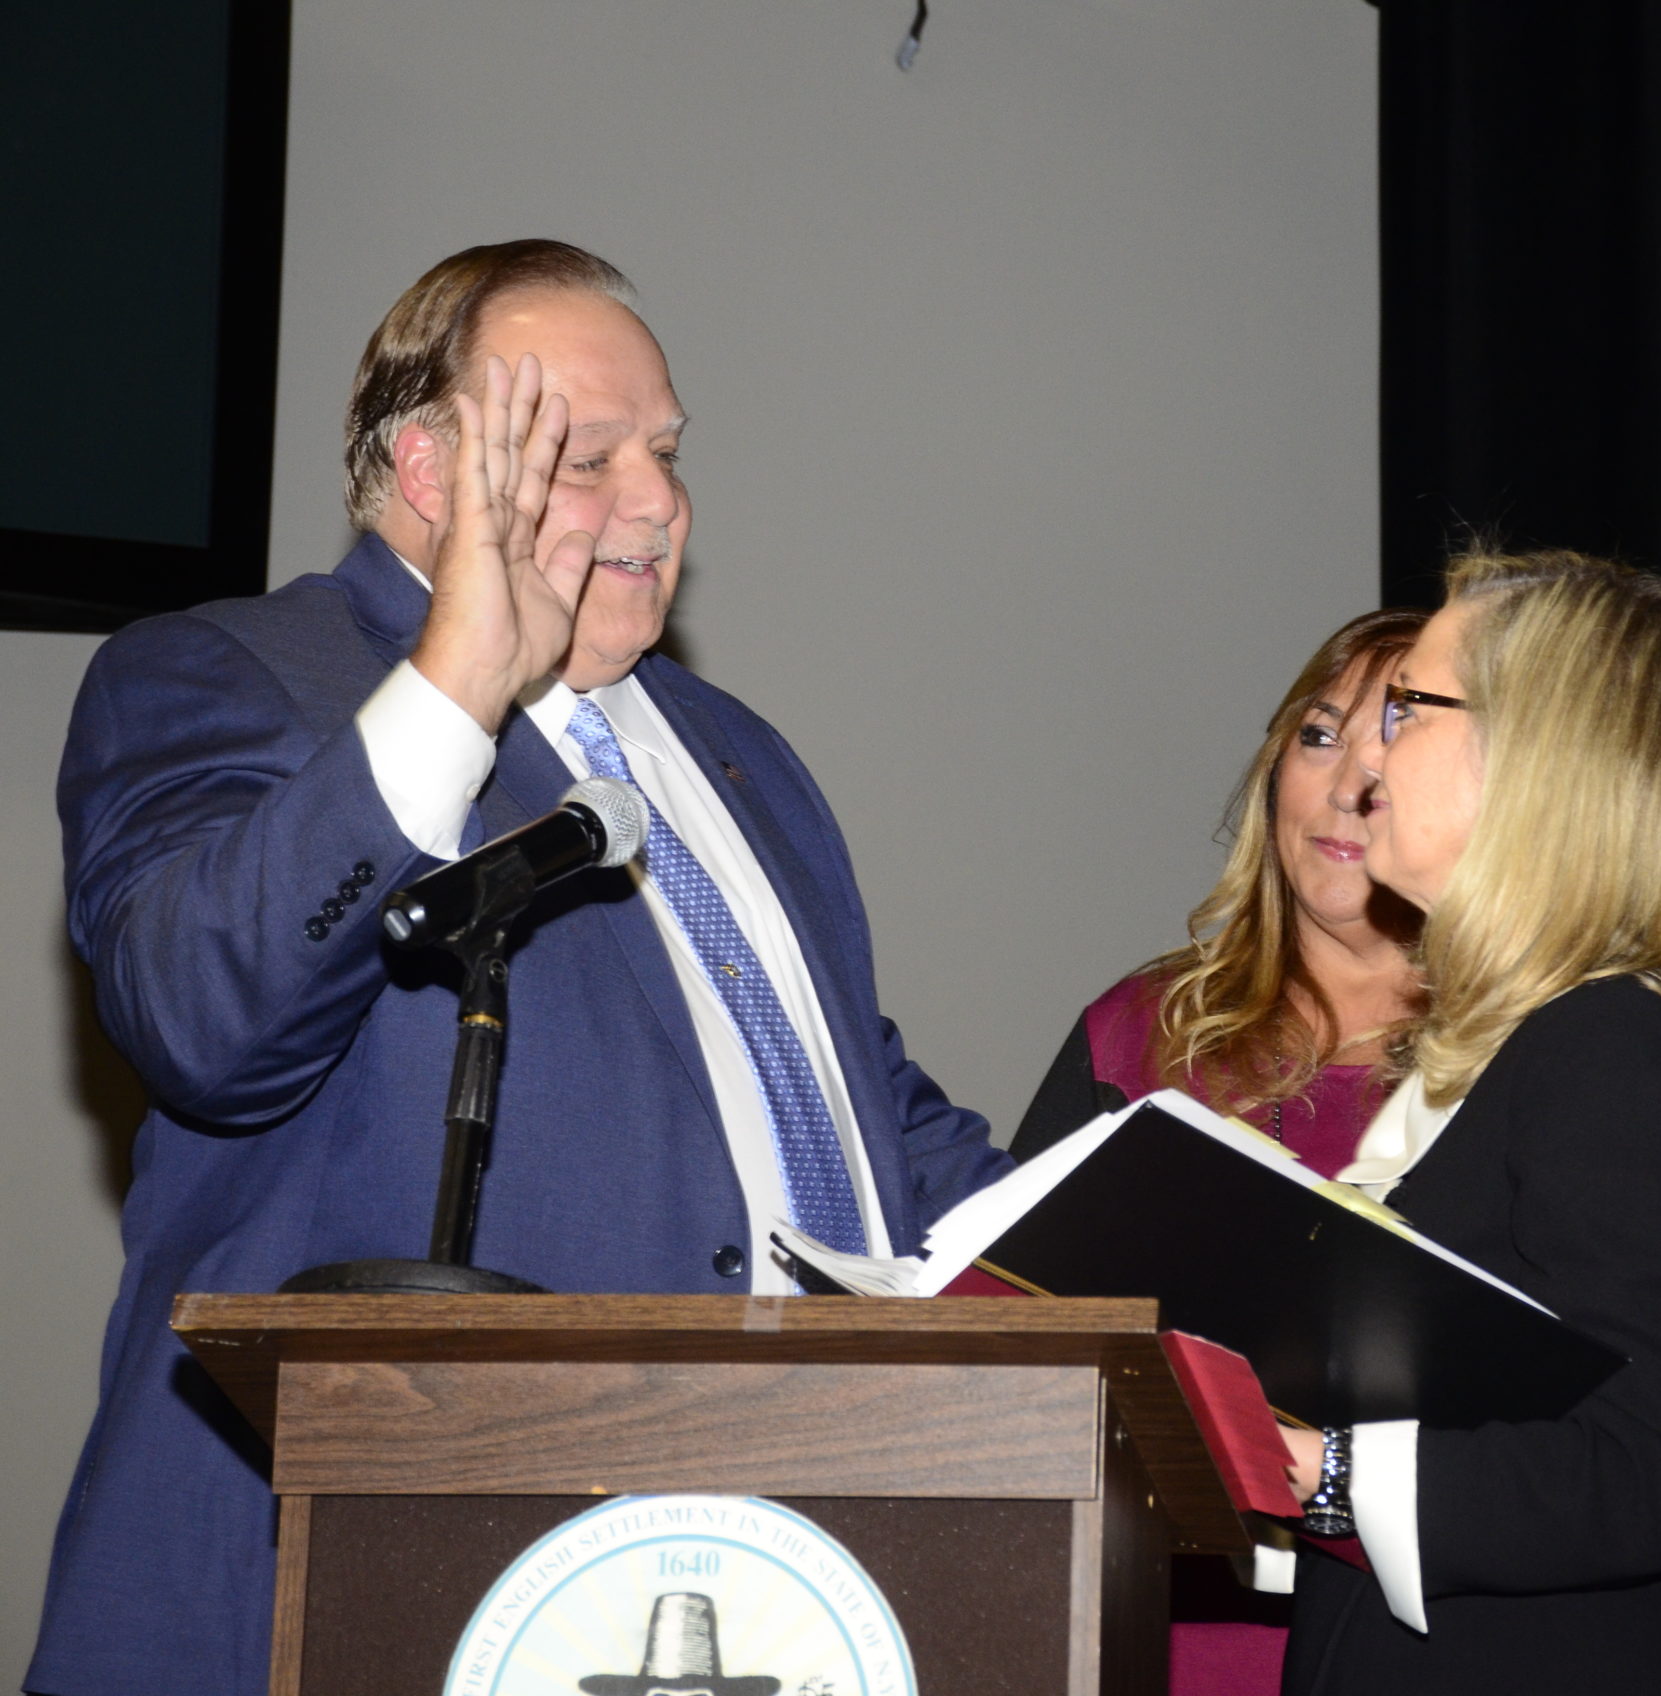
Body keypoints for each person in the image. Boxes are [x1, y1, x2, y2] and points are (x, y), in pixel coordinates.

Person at [28, 241, 1009, 1696]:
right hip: (342, 1592)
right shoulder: (222, 675)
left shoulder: (746, 759)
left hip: (744, 1586)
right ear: (432, 472)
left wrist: (1160, 1249)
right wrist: (457, 685)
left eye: (666, 454)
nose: (660, 503)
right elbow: (200, 1022)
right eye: (589, 457)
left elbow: (859, 1112)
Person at [1272, 550, 1661, 1695]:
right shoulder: (1509, 1050)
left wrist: (1320, 1472)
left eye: (1408, 707)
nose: (1367, 753)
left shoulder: (1613, 1052)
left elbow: (1642, 1472)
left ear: (1537, 754)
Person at [1013, 607, 1431, 1696]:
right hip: (1153, 1641)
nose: (1349, 784)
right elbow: (1012, 1354)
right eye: (1321, 733)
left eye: (1397, 742)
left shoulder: (1540, 1068)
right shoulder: (1135, 1035)